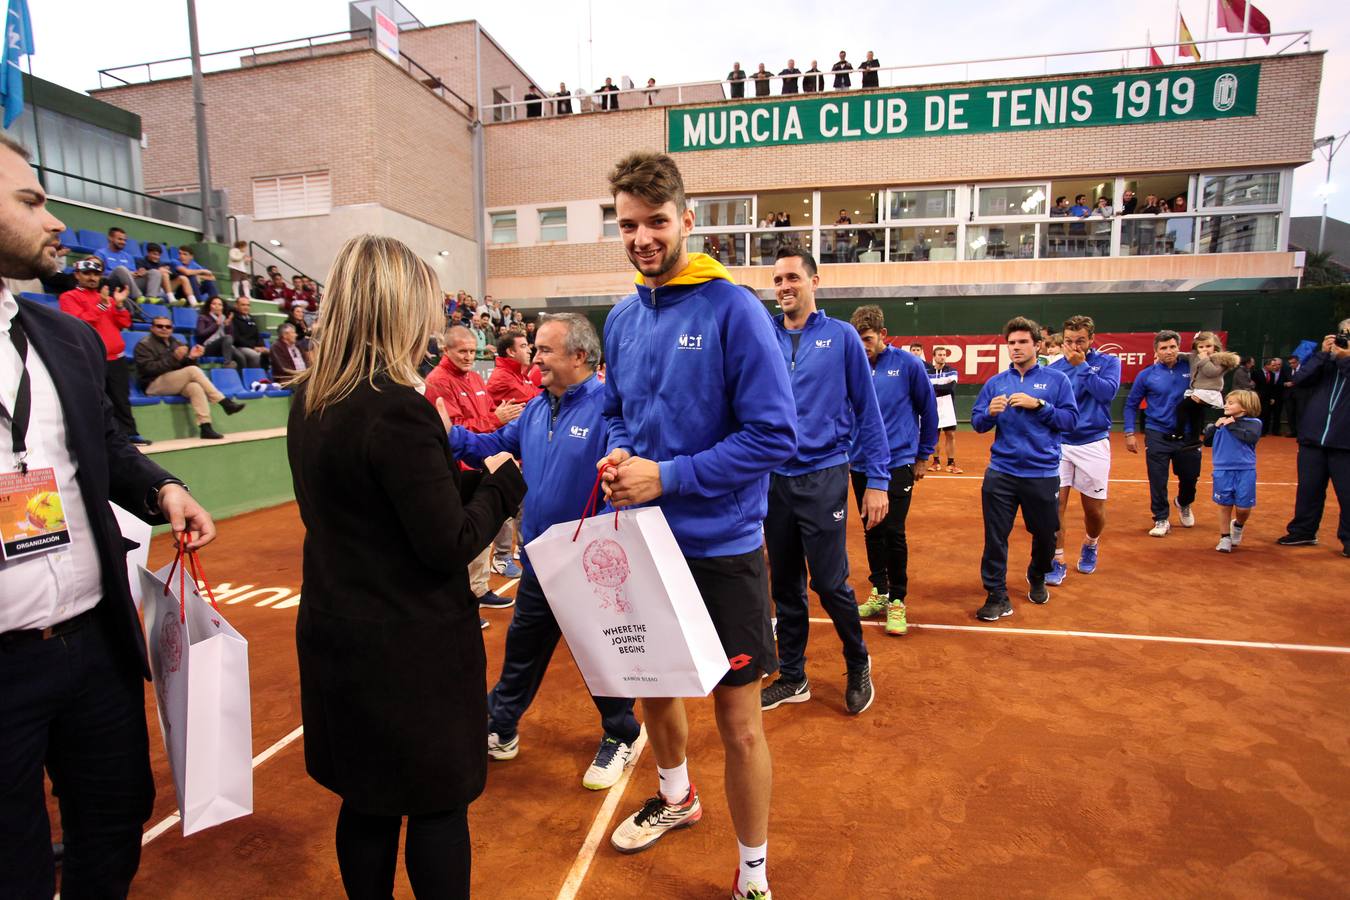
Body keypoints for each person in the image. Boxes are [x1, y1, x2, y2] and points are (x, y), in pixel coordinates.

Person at [0, 134, 215, 899]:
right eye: (31, 201)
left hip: (94, 643)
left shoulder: (66, 337)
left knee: (115, 822)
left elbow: (107, 443)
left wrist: (163, 490)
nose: (54, 220)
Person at [287, 234, 524, 899]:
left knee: (366, 801)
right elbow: (448, 541)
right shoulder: (397, 407)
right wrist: (502, 484)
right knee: (436, 805)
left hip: (338, 634)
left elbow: (379, 501)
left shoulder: (310, 398)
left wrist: (464, 481)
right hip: (409, 651)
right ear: (396, 307)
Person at [598, 151, 796, 900]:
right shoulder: (621, 317)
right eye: (628, 225)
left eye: (656, 222)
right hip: (645, 543)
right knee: (654, 690)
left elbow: (775, 436)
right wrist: (622, 452)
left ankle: (754, 875)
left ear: (686, 220)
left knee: (738, 722)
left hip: (721, 548)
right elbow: (618, 411)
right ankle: (677, 797)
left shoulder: (734, 310)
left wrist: (669, 476)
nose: (642, 238)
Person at [449, 313, 641, 789]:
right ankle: (501, 726)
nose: (535, 359)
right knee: (523, 649)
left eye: (544, 350)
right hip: (539, 558)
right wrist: (447, 434)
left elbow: (624, 470)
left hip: (587, 564)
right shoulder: (536, 408)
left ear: (580, 356)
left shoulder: (607, 409)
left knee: (599, 653)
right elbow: (493, 445)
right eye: (535, 349)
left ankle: (622, 734)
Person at [760, 249, 887, 714]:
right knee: (785, 585)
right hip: (774, 478)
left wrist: (878, 479)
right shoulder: (764, 336)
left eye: (793, 277)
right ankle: (793, 676)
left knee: (830, 583)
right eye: (778, 280)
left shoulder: (842, 336)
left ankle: (857, 660)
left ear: (814, 281)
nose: (784, 286)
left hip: (824, 473)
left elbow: (867, 410)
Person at [970, 317, 1078, 621]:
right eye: (1011, 343)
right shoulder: (996, 383)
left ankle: (1038, 573)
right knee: (995, 537)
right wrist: (989, 413)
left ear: (1037, 345)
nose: (1016, 348)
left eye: (1022, 342)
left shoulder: (1058, 381)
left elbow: (1070, 421)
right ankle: (996, 594)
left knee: (1046, 535)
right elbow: (978, 423)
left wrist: (1039, 405)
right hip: (1001, 473)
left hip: (1041, 473)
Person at [850, 305, 938, 636]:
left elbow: (929, 411)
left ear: (883, 335)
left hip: (898, 462)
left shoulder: (908, 365)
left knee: (893, 531)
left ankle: (898, 599)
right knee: (871, 528)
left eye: (868, 339)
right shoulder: (852, 365)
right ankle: (880, 591)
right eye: (857, 340)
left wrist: (923, 456)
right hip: (860, 463)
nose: (863, 346)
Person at [425, 325, 524, 611]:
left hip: (481, 463)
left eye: (472, 351)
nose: (469, 356)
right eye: (462, 351)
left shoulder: (475, 378)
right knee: (463, 535)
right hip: (458, 469)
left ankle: (478, 590)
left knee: (484, 531)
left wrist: (497, 418)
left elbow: (489, 414)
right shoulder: (438, 382)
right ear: (446, 350)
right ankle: (463, 599)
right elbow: (450, 428)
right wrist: (495, 419)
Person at [1046, 316, 1122, 584]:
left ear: (1091, 340)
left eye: (1080, 341)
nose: (1074, 346)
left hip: (1093, 443)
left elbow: (1107, 394)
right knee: (1055, 507)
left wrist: (1083, 367)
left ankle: (1091, 543)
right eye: (1069, 341)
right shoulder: (1055, 369)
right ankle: (1057, 559)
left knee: (1094, 511)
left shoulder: (1109, 362)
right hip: (1060, 444)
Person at [58, 256, 149, 445]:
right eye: (87, 273)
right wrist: (101, 305)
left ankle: (129, 433)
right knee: (95, 399)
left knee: (121, 399)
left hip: (116, 358)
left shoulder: (106, 298)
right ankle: (99, 438)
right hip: (90, 358)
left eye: (96, 274)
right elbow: (78, 322)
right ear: (77, 275)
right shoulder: (69, 297)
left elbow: (124, 323)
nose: (92, 277)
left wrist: (120, 305)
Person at [1277, 323, 1350, 555]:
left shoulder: (1343, 361)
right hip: (1312, 438)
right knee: (1309, 489)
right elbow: (1300, 379)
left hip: (1345, 443)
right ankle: (1303, 531)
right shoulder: (1326, 361)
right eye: (1342, 333)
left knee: (1347, 493)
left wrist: (1345, 358)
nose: (1344, 339)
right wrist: (1322, 354)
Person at [1124, 330, 1201, 536]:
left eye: (1172, 347)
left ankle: (1184, 502)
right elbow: (1131, 404)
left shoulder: (1192, 369)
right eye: (1164, 348)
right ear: (1156, 351)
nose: (1169, 351)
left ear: (1179, 348)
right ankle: (1161, 518)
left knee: (1190, 477)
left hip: (1187, 434)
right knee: (1157, 479)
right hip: (1157, 433)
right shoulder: (1146, 375)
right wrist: (1129, 432)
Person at [133, 315, 245, 439]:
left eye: (168, 326)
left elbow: (184, 367)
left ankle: (205, 427)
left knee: (195, 387)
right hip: (153, 384)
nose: (164, 329)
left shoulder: (176, 342)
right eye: (160, 326)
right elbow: (148, 369)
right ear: (152, 328)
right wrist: (174, 358)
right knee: (192, 371)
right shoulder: (144, 345)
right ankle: (224, 402)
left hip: (173, 382)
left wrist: (191, 358)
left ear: (172, 329)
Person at [485, 331, 539, 578]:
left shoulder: (522, 376)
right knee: (507, 507)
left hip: (519, 452)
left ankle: (519, 549)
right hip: (505, 451)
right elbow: (532, 405)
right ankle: (501, 557)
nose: (529, 350)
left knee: (521, 505)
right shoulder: (502, 378)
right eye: (524, 346)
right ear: (510, 351)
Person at [1204, 390, 1263, 552]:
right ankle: (1225, 537)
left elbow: (1250, 438)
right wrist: (1214, 427)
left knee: (1243, 508)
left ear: (1244, 407)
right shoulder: (1221, 423)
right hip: (1222, 470)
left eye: (1231, 403)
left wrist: (1231, 425)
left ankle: (1238, 525)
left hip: (1245, 470)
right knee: (1224, 505)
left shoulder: (1254, 423)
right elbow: (1207, 442)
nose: (1226, 405)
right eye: (1226, 402)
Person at [1170, 332, 1238, 445]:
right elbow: (1183, 355)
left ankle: (1179, 433)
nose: (1204, 349)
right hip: (1197, 391)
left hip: (1209, 393)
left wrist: (1204, 359)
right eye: (1201, 347)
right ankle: (1194, 439)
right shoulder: (1194, 356)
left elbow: (1211, 372)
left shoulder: (1220, 359)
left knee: (1181, 408)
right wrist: (1172, 353)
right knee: (1195, 414)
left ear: (1215, 346)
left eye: (1208, 346)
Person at [927, 346, 961, 473]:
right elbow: (926, 388)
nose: (942, 357)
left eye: (944, 355)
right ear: (934, 357)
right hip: (932, 406)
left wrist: (934, 387)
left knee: (950, 434)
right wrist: (939, 387)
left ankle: (951, 463)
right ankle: (936, 462)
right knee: (934, 435)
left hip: (948, 407)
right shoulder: (927, 372)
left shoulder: (952, 371)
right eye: (940, 355)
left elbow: (950, 388)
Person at [93, 227, 145, 305]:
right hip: (110, 282)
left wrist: (138, 273)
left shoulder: (128, 256)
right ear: (110, 238)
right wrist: (125, 273)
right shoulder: (101, 253)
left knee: (153, 272)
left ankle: (152, 297)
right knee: (121, 269)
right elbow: (98, 272)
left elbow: (133, 272)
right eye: (120, 239)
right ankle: (137, 297)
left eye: (125, 240)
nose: (123, 242)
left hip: (128, 282)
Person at [194, 296, 236, 366]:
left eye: (220, 305)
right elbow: (201, 334)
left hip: (223, 347)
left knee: (240, 355)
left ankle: (240, 371)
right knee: (227, 338)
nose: (217, 306)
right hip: (207, 347)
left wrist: (227, 326)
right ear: (209, 306)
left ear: (223, 307)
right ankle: (227, 364)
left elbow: (232, 338)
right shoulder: (203, 317)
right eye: (214, 304)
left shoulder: (225, 319)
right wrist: (216, 325)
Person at [229, 296, 267, 370]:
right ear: (236, 306)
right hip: (239, 347)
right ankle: (253, 376)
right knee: (254, 355)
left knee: (269, 353)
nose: (246, 307)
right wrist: (253, 347)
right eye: (243, 305)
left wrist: (262, 346)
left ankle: (266, 375)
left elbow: (257, 335)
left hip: (252, 347)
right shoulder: (233, 319)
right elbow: (237, 339)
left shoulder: (252, 319)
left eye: (248, 305)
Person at [1256, 357, 1289, 436]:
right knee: (1262, 414)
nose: (1276, 366)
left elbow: (1272, 387)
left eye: (1278, 364)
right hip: (1261, 397)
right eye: (1273, 365)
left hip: (1275, 397)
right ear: (1267, 365)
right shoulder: (1258, 373)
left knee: (1274, 414)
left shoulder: (1277, 373)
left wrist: (1272, 397)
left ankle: (1271, 431)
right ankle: (1261, 431)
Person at [1284, 355, 1304, 439]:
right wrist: (1285, 384)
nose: (1292, 365)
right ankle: (1293, 431)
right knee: (1290, 413)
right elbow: (1281, 381)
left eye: (1293, 363)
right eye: (1290, 363)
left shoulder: (1304, 369)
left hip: (1301, 396)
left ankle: (1301, 432)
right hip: (1289, 396)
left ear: (1298, 362)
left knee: (1300, 413)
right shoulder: (1287, 370)